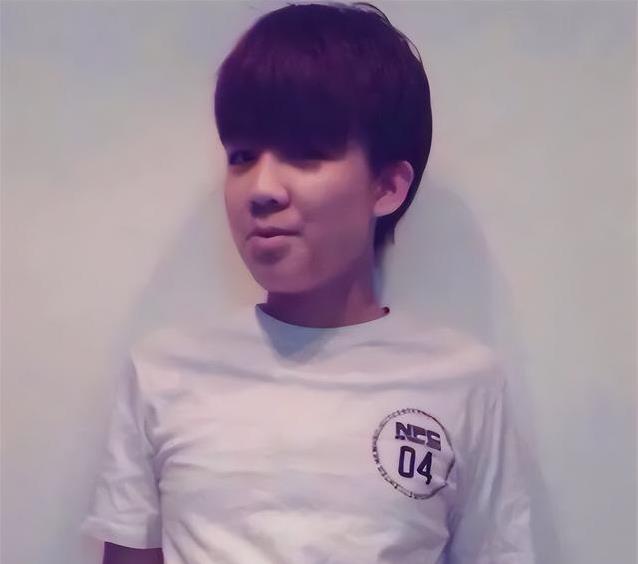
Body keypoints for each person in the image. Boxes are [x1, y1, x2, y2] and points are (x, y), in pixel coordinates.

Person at [81, 2, 536, 563]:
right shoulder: (163, 372)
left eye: (304, 154)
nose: (261, 189)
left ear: (386, 187)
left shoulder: (463, 382)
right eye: (242, 156)